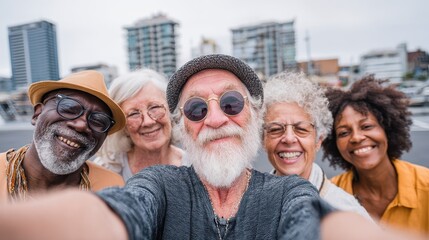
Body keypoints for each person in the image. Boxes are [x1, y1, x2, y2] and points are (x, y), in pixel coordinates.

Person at [0, 55, 426, 240]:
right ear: (183, 127)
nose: (216, 118)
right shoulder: (158, 185)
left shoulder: (287, 193)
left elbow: (319, 226)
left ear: (254, 117)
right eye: (197, 109)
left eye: (231, 102)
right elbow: (114, 213)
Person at [322, 76, 429, 234]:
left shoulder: (426, 186)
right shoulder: (328, 197)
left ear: (387, 129)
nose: (356, 137)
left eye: (366, 126)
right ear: (334, 143)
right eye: (344, 132)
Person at [0, 70, 125, 202]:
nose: (81, 125)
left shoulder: (111, 187)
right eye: (68, 108)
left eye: (98, 121)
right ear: (37, 113)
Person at [262, 72, 371, 219]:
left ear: (318, 140)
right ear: (263, 140)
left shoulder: (348, 213)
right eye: (275, 129)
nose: (288, 138)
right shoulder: (243, 206)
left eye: (301, 129)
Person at [94, 69, 183, 181]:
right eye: (133, 114)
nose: (148, 122)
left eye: (154, 107)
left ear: (170, 110)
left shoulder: (194, 167)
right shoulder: (106, 170)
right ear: (123, 126)